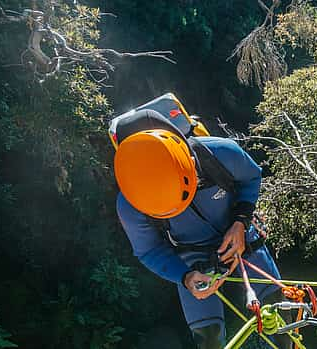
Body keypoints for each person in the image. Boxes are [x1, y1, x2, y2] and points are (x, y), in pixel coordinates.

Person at [112, 109, 286, 348]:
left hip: (241, 235)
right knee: (208, 340)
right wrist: (185, 277)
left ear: (189, 162)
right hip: (192, 258)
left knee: (279, 321)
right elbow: (149, 250)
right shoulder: (130, 204)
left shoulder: (219, 153)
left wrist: (241, 221)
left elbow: (251, 177)